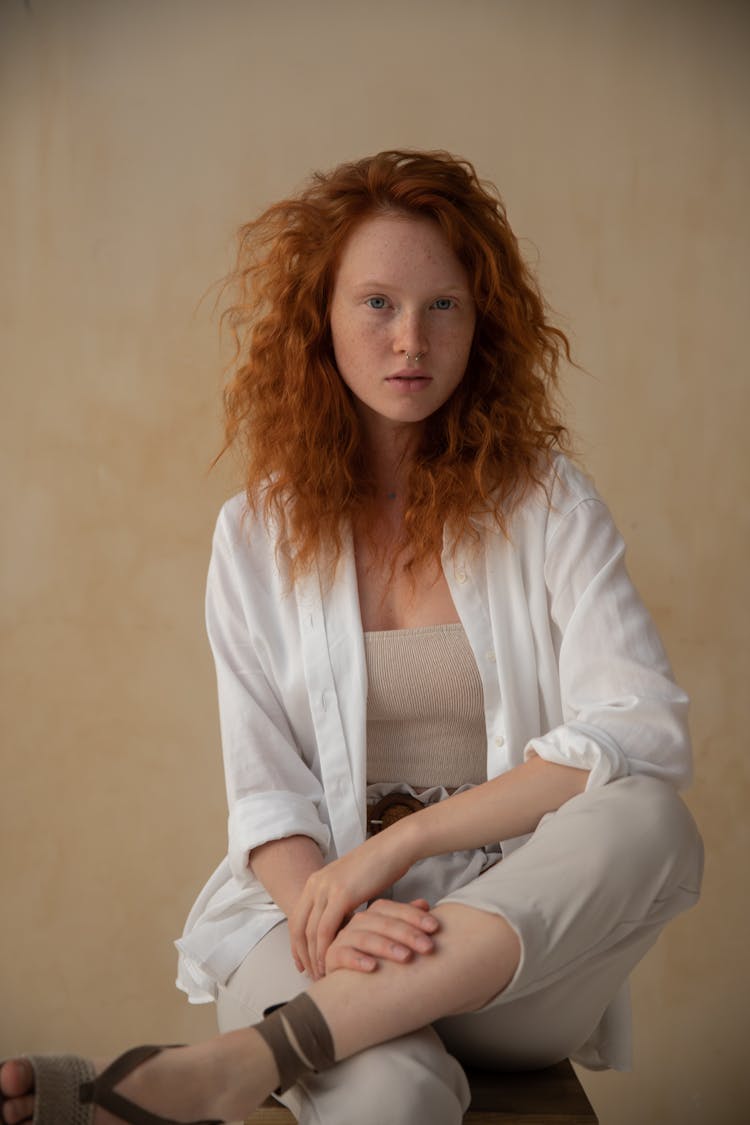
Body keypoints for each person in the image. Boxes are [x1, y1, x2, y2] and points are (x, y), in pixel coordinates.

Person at [0, 150, 703, 1125]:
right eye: (377, 302)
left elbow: (643, 728)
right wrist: (334, 907)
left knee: (654, 822)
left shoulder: (548, 505)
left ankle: (242, 1060)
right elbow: (266, 796)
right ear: (320, 320)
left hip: (500, 952)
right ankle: (329, 1030)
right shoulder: (253, 533)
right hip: (316, 932)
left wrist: (398, 845)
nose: (410, 337)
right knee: (395, 1091)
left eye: (443, 305)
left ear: (481, 322)